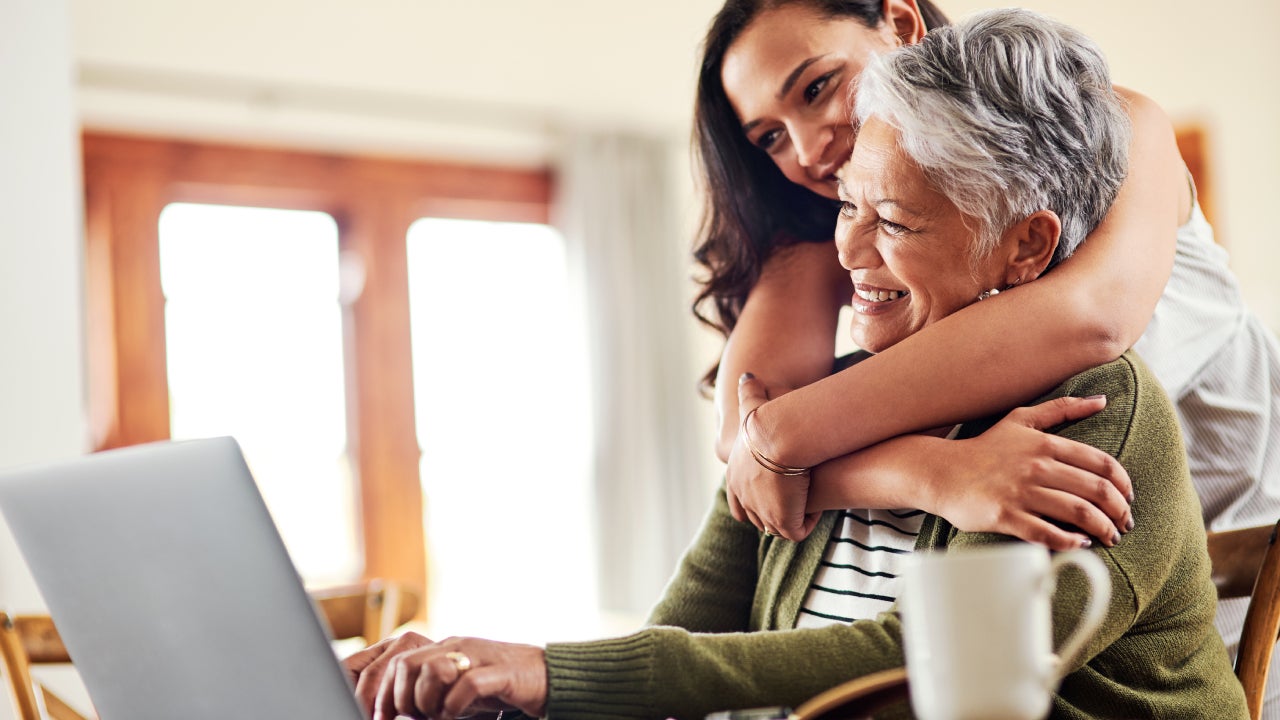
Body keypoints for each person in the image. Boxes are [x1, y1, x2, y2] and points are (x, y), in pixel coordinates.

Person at [342, 12, 1247, 718]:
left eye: (891, 220)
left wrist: (554, 673)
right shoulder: (843, 380)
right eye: (845, 205)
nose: (847, 247)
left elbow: (919, 668)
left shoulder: (1090, 408)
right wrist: (498, 679)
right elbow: (694, 613)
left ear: (1022, 249)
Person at [697, 0, 1280, 706]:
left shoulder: (1112, 129)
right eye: (769, 138)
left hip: (1234, 604)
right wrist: (929, 474)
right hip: (1054, 592)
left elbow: (1090, 321)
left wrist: (784, 440)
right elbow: (744, 435)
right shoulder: (849, 224)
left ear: (902, 25)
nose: (809, 147)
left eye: (817, 87)